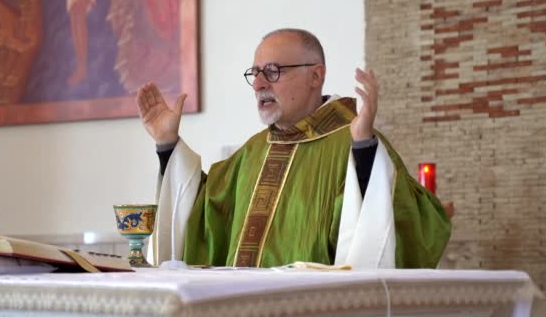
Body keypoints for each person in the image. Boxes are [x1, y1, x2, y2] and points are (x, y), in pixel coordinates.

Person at [137, 28, 451, 269]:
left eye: (272, 71)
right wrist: (168, 145)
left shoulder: (355, 143)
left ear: (315, 76)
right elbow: (200, 217)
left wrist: (366, 151)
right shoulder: (252, 153)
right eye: (255, 73)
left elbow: (399, 228)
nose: (259, 84)